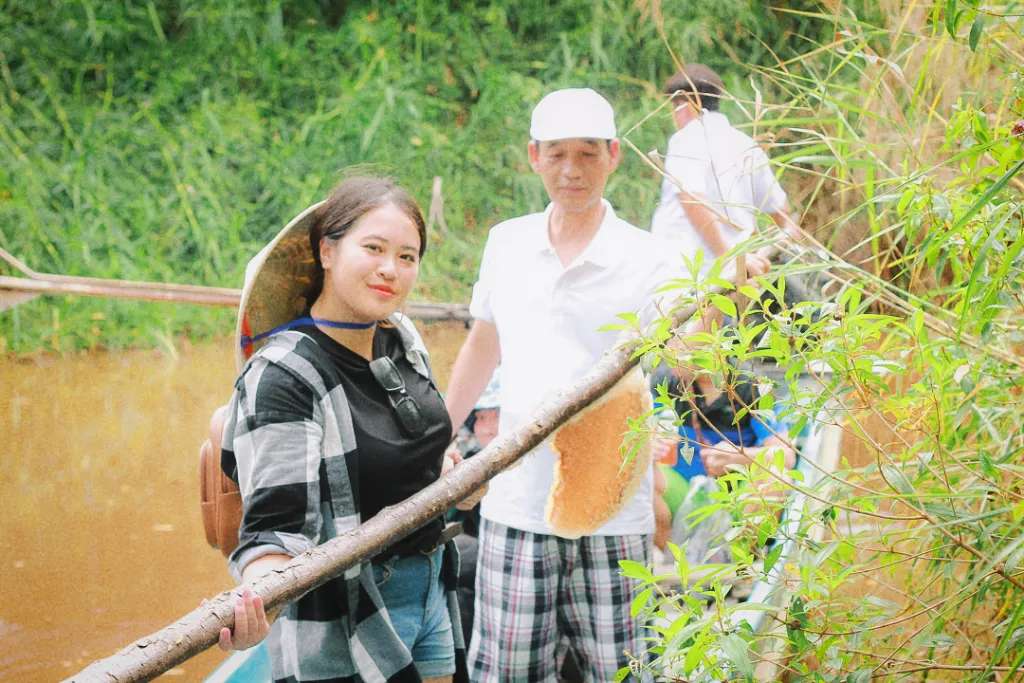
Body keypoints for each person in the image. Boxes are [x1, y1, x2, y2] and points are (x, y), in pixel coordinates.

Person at [444, 87, 674, 681]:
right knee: (507, 669)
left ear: (614, 156)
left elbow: (686, 356)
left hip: (614, 506)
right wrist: (437, 436)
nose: (572, 171)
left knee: (621, 667)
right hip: (517, 498)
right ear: (533, 156)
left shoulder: (649, 257)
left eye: (588, 154)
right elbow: (481, 348)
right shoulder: (508, 243)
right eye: (557, 154)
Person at [217, 176, 466, 683]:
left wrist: (452, 476)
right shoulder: (284, 375)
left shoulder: (402, 338)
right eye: (372, 248)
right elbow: (274, 529)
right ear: (327, 251)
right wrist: (257, 598)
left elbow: (424, 447)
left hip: (433, 583)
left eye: (407, 257)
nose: (389, 270)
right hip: (350, 609)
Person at [650, 63, 802, 277]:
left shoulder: (686, 139)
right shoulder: (745, 144)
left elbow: (693, 200)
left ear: (684, 104)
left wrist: (728, 259)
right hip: (738, 274)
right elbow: (781, 212)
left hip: (688, 274)